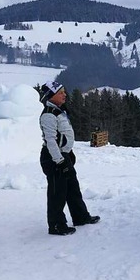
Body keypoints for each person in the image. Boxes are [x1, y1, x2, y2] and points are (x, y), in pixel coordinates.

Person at [39, 81, 100, 236]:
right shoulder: (48, 114)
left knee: (72, 187)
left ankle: (80, 217)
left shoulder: (58, 111)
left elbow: (64, 135)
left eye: (64, 92)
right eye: (61, 93)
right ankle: (56, 225)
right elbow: (51, 140)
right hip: (53, 158)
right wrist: (59, 161)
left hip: (63, 155)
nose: (65, 95)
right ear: (51, 96)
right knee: (57, 192)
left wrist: (67, 153)